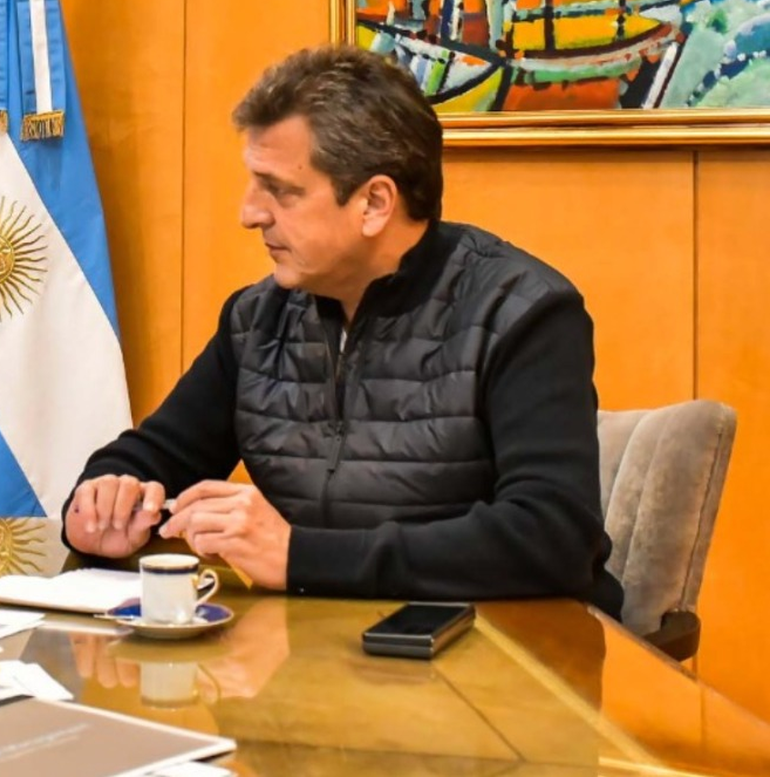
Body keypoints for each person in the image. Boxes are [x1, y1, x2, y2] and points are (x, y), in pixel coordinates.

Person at [64, 44, 623, 614]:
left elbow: (552, 536)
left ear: (375, 203)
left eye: (280, 191)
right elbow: (156, 455)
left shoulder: (521, 313)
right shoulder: (258, 319)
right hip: (320, 656)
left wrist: (301, 557)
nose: (249, 213)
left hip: (505, 664)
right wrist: (104, 499)